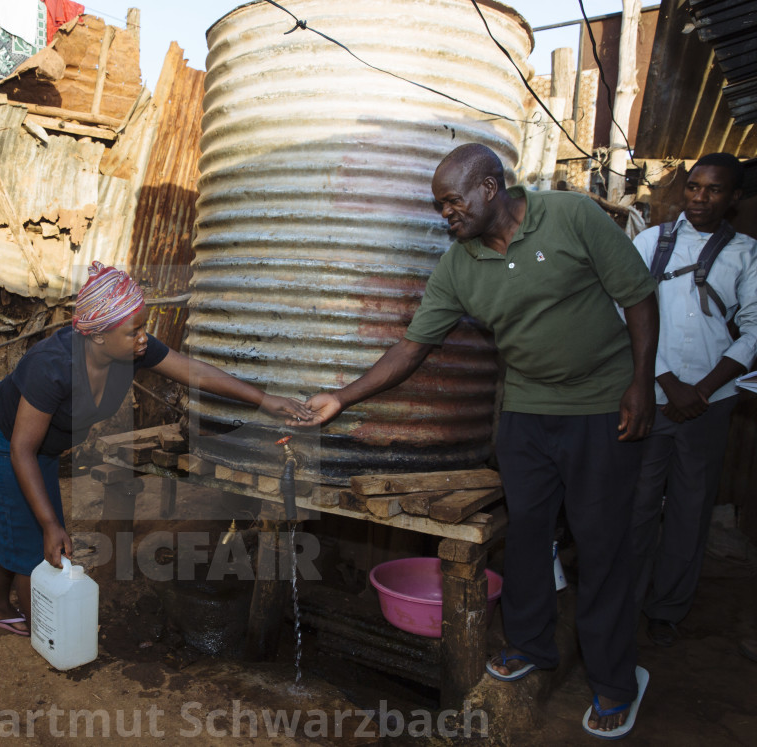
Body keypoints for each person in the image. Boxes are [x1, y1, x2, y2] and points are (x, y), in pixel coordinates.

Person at [292, 143, 659, 737]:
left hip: (600, 406)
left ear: (491, 187)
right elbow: (413, 347)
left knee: (599, 545)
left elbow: (639, 296)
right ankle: (535, 646)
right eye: (440, 206)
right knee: (529, 536)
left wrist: (641, 382)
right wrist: (344, 396)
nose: (446, 215)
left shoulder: (572, 217)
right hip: (525, 412)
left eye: (452, 202)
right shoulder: (458, 264)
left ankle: (617, 680)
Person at [0, 261, 314, 634]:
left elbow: (195, 372)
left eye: (144, 328)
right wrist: (51, 525)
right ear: (98, 336)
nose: (143, 338)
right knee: (36, 537)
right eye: (134, 331)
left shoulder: (133, 351)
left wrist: (262, 399)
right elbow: (23, 450)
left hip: (40, 450)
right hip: (2, 442)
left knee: (17, 520)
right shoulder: (51, 366)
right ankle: (46, 632)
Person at [629, 152, 756, 647]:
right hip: (651, 396)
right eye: (695, 187)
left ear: (735, 198)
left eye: (715, 190)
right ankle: (627, 597)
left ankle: (667, 609)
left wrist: (699, 390)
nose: (701, 198)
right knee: (637, 505)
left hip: (710, 403)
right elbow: (625, 314)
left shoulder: (746, 254)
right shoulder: (649, 243)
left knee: (689, 507)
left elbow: (752, 332)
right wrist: (664, 380)